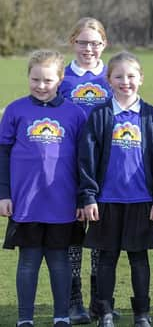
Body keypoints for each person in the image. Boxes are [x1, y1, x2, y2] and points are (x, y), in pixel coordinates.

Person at [77, 52, 153, 327]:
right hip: (106, 200)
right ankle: (105, 311)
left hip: (142, 201)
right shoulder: (100, 115)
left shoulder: (151, 116)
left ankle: (142, 312)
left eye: (131, 76)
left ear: (141, 78)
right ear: (109, 80)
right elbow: (87, 159)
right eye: (118, 76)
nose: (125, 81)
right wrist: (89, 196)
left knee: (139, 259)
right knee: (106, 258)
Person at [0, 50, 86, 327]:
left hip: (62, 201)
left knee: (60, 261)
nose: (40, 85)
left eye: (48, 80)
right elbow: (2, 154)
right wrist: (4, 193)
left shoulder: (75, 113)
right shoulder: (15, 110)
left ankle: (61, 315)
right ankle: (25, 318)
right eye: (35, 79)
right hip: (26, 202)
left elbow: (84, 161)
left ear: (60, 79)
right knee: (28, 261)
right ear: (28, 77)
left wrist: (83, 198)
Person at [58, 17, 112, 325]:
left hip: (108, 168)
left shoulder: (112, 75)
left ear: (104, 44)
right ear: (72, 43)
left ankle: (99, 300)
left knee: (102, 235)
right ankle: (73, 300)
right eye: (82, 42)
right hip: (69, 167)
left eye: (94, 42)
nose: (88, 49)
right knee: (74, 233)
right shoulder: (62, 77)